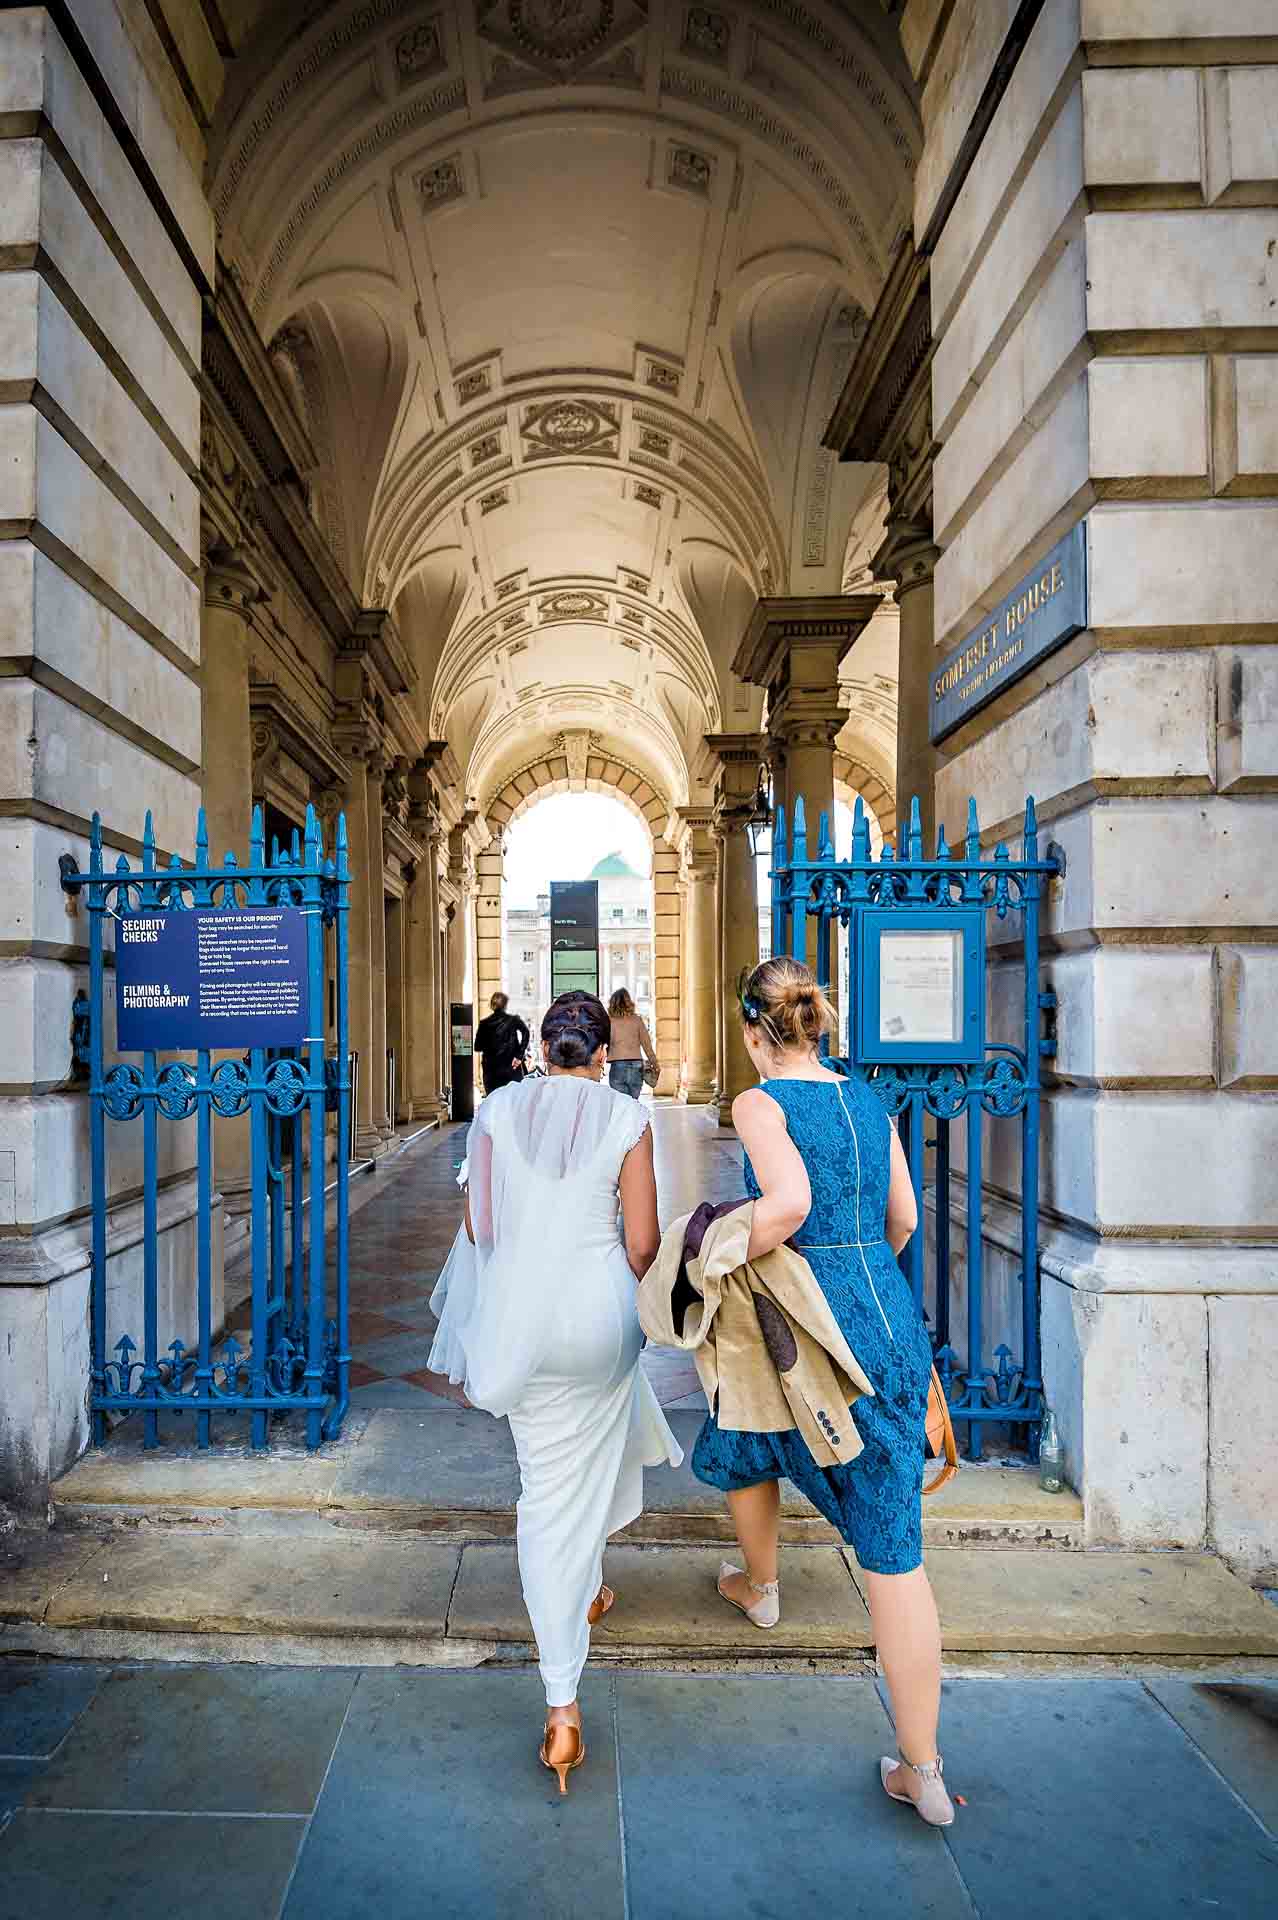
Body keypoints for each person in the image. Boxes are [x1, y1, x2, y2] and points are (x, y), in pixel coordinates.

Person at [690, 956, 954, 1828]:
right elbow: (906, 1218)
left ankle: (760, 1586)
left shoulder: (758, 1104)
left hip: (801, 1323)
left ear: (752, 1032)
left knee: (746, 1419)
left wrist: (718, 1246)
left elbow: (790, 1203)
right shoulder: (865, 1098)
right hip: (888, 1325)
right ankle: (924, 1770)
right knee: (893, 1550)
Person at [452, 991, 682, 1792]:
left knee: (547, 1485)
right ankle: (572, 1640)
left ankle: (565, 1689)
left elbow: (481, 1229)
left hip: (523, 1320)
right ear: (599, 1055)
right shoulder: (626, 1119)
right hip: (597, 1316)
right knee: (601, 1424)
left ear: (545, 1048)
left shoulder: (495, 1113)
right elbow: (645, 1242)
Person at [473, 991, 529, 1095]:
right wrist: (519, 1055)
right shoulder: (513, 1020)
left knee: (493, 1101)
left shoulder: (484, 1024)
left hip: (491, 1071)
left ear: (491, 1005)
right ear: (505, 1005)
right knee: (514, 1101)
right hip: (512, 1067)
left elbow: (477, 1047)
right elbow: (526, 1032)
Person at [606, 987, 658, 1097]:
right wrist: (655, 1064)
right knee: (633, 1103)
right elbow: (647, 1045)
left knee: (621, 1104)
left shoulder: (609, 1021)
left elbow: (605, 1042)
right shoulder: (637, 1020)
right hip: (636, 1066)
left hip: (617, 1064)